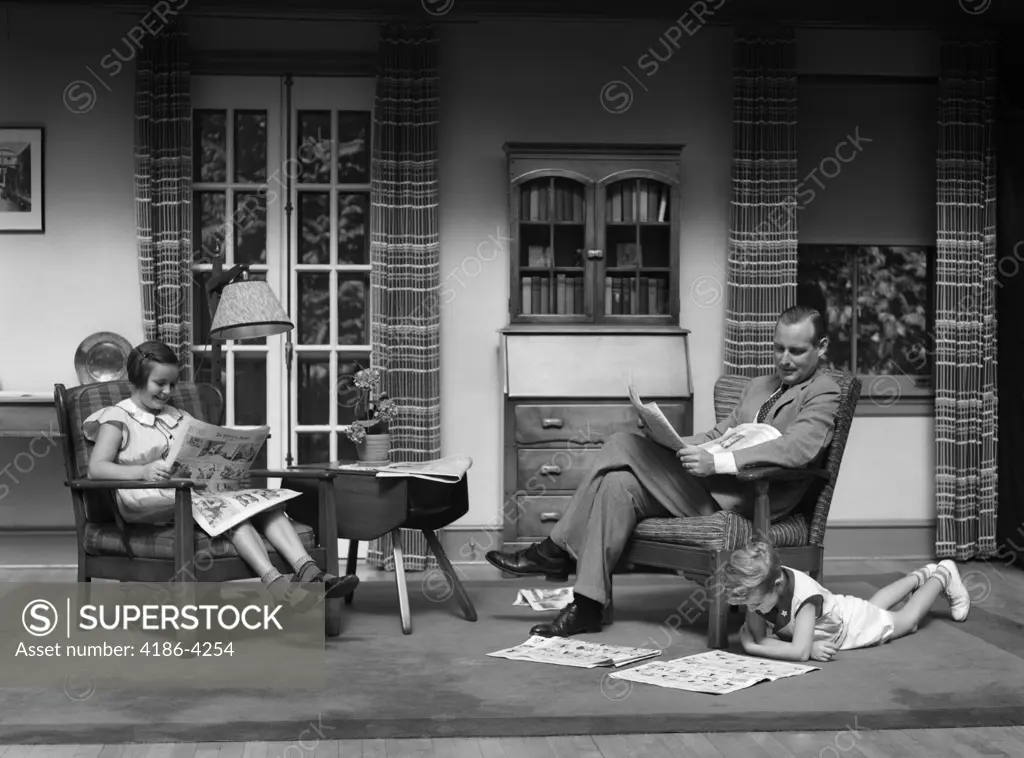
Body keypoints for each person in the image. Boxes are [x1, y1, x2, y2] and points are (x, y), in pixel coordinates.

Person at [486, 305, 842, 637]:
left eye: (796, 352)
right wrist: (666, 442)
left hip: (751, 500)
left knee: (621, 443)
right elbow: (719, 436)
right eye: (778, 348)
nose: (784, 360)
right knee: (617, 482)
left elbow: (798, 448)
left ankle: (555, 548)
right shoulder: (758, 387)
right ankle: (588, 605)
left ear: (822, 347)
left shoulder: (824, 391)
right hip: (706, 489)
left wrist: (716, 462)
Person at [84, 340, 359, 611]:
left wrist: (228, 469)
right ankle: (276, 586)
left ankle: (309, 571)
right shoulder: (117, 417)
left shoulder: (177, 415)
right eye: (160, 383)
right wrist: (143, 471)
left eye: (173, 384)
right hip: (144, 496)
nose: (168, 391)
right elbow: (96, 468)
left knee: (261, 504)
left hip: (189, 492)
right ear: (137, 380)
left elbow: (205, 450)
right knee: (227, 511)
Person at [722, 540, 972, 662]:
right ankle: (923, 575)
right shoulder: (761, 588)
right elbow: (767, 637)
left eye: (755, 606)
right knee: (873, 606)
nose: (751, 611)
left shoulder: (804, 598)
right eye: (749, 607)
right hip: (841, 611)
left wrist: (754, 649)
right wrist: (805, 646)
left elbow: (797, 652)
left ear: (778, 586)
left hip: (852, 628)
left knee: (907, 621)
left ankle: (943, 574)